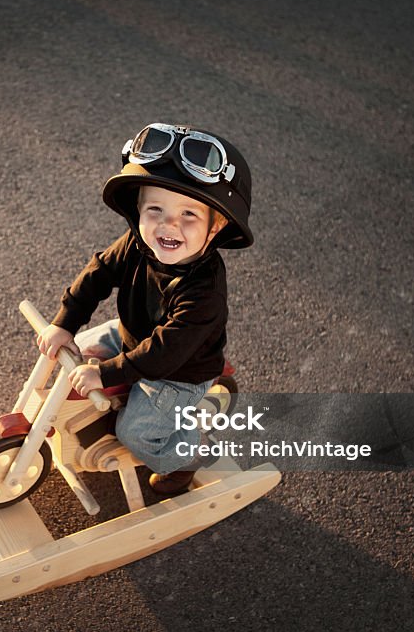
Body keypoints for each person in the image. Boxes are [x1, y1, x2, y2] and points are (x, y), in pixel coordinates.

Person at [36, 123, 255, 494]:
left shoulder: (204, 293)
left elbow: (164, 353)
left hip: (178, 370)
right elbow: (99, 272)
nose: (168, 224)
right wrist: (65, 322)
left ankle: (184, 459)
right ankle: (88, 410)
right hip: (133, 335)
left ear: (215, 227)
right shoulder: (138, 243)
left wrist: (105, 375)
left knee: (136, 431)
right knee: (78, 350)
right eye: (156, 209)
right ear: (138, 210)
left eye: (189, 215)